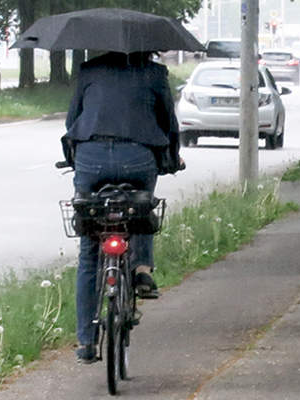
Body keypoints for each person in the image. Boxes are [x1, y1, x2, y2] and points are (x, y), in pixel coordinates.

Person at [62, 51, 184, 364]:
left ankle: (86, 343)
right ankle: (142, 269)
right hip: (138, 158)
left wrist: (77, 157)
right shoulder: (154, 73)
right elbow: (169, 123)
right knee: (139, 208)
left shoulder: (89, 69)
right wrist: (171, 157)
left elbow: (72, 119)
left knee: (90, 251)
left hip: (91, 158)